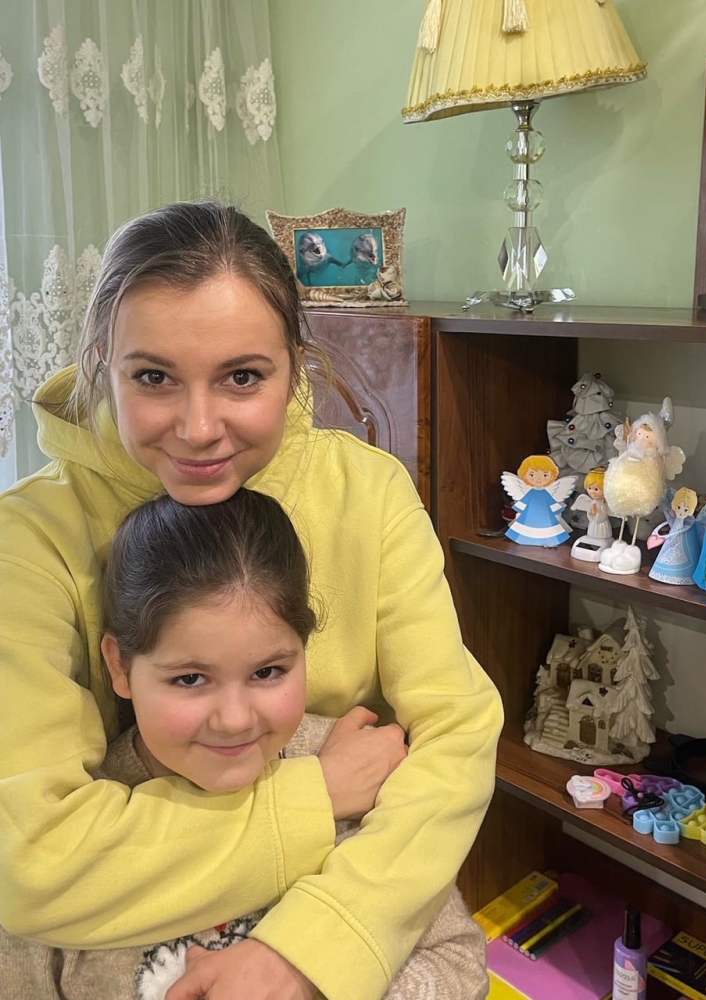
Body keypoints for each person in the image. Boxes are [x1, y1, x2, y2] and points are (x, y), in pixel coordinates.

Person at [0, 202, 503, 1000]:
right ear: (102, 364)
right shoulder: (27, 539)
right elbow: (33, 860)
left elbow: (453, 737)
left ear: (295, 367)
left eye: (241, 377)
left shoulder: (366, 493)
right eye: (154, 377)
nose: (200, 429)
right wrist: (313, 799)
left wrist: (313, 948)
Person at [0, 489, 489, 1000]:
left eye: (268, 671)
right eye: (190, 679)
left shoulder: (355, 766)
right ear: (119, 666)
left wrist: (316, 983)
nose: (235, 721)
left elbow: (457, 962)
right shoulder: (76, 825)